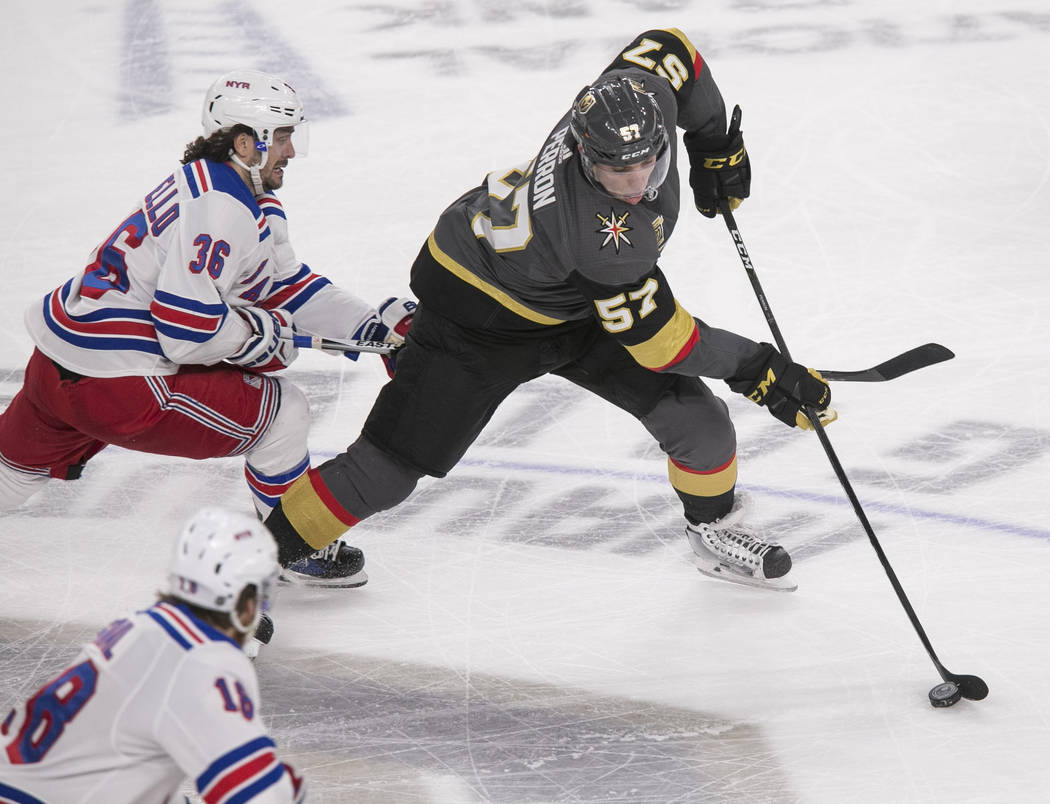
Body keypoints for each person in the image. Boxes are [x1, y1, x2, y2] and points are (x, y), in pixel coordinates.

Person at [261, 28, 835, 592]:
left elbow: (669, 48)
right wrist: (757, 368)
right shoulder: (600, 238)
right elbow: (664, 344)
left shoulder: (632, 100)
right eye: (618, 172)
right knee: (387, 470)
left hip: (572, 298)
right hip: (479, 314)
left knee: (698, 422)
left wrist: (713, 143)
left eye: (649, 163)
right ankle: (249, 567)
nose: (638, 185)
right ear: (585, 156)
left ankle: (712, 529)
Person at [0, 69, 414, 588]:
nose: (290, 151)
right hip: (120, 384)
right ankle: (295, 546)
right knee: (283, 413)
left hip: (56, 363)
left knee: (8, 475)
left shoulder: (219, 186)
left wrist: (370, 327)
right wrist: (257, 337)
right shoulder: (223, 208)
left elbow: (282, 285)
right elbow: (185, 333)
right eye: (281, 137)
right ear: (245, 142)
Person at [0, 507, 306, 802]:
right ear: (249, 603)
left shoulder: (138, 627)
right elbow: (262, 796)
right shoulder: (202, 665)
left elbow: (118, 771)